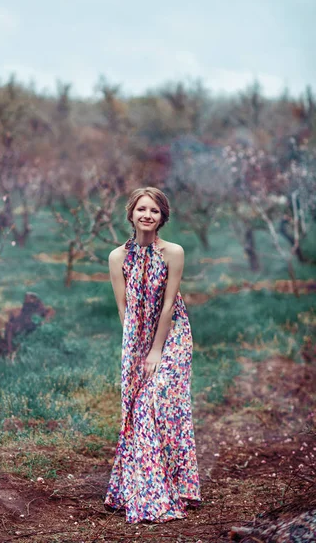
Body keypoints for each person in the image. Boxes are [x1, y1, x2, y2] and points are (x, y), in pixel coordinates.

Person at [104, 186, 201, 523]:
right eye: (142, 209)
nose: (147, 215)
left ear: (163, 217)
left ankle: (168, 489)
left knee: (159, 403)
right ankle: (135, 487)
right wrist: (138, 349)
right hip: (137, 338)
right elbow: (124, 308)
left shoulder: (174, 252)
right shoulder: (117, 257)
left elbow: (169, 305)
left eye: (155, 211)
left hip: (173, 336)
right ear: (131, 214)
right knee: (138, 407)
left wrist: (157, 350)